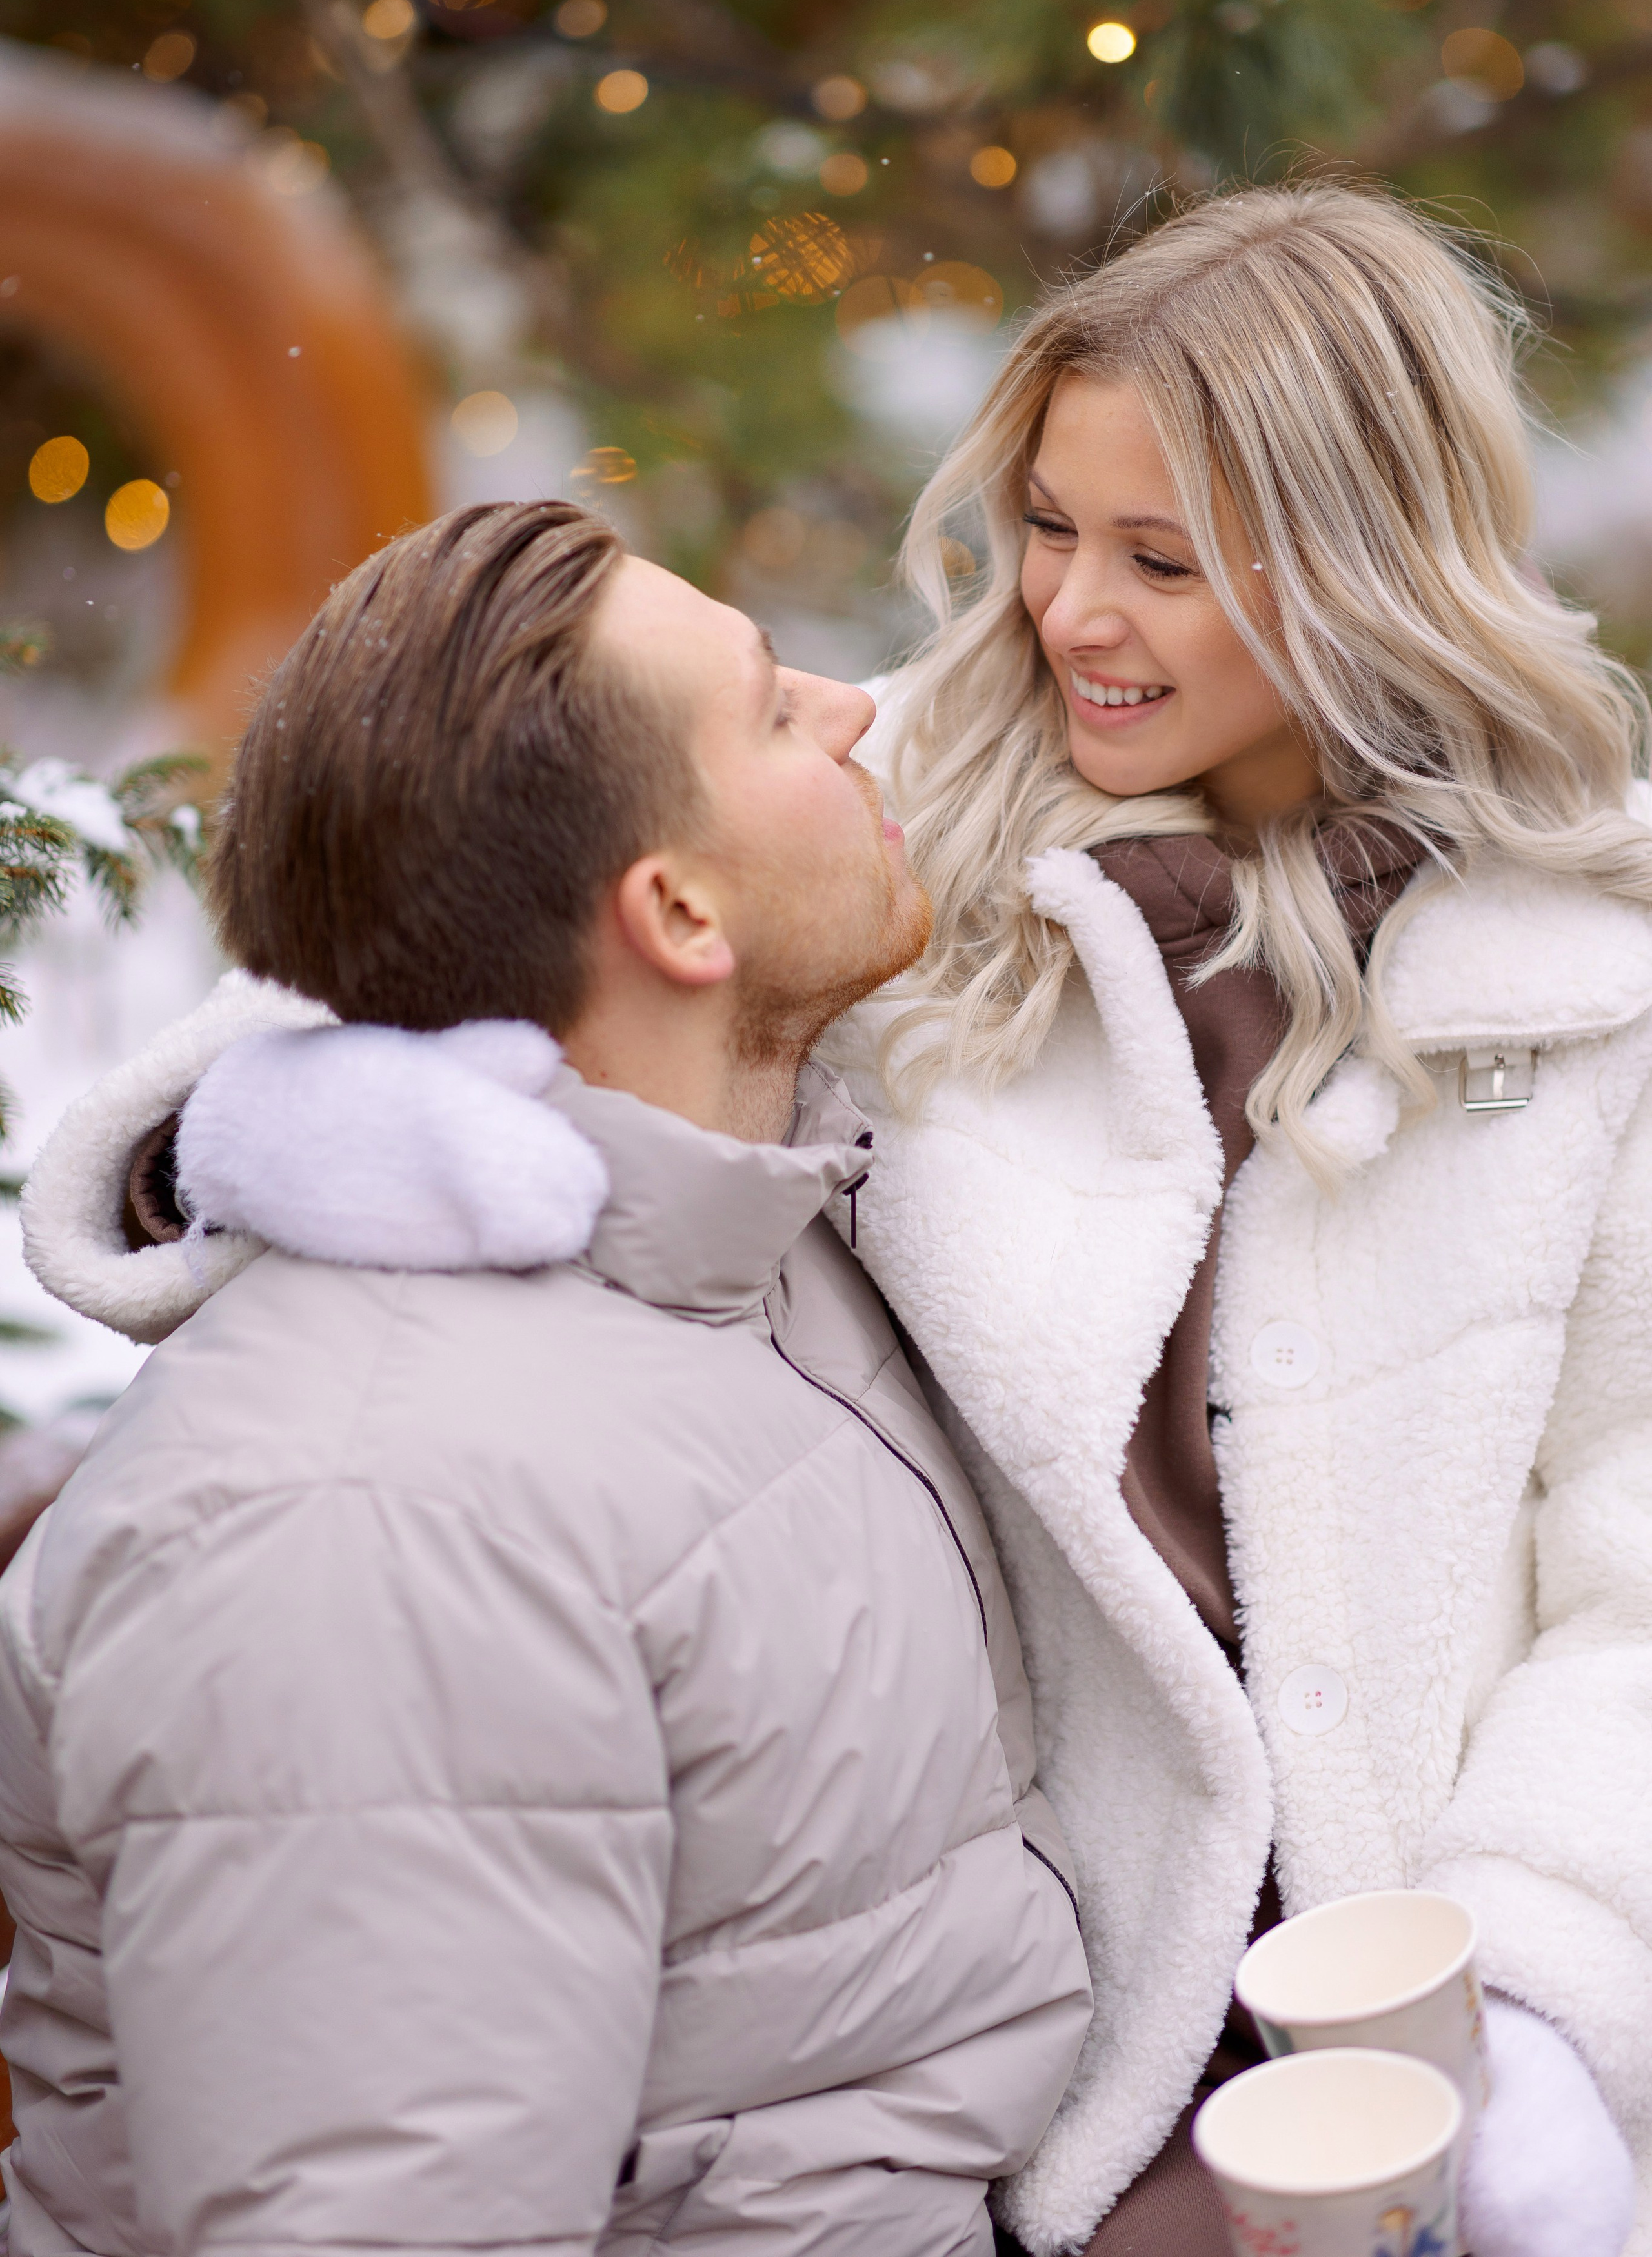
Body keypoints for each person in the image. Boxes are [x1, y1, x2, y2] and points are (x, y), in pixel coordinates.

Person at [0, 501, 1092, 2257]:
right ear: (675, 908)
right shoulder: (357, 1534)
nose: (858, 707)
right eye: (769, 708)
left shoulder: (721, 1243)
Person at [809, 183, 1647, 2257]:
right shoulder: (876, 827)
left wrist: (1526, 2004)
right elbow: (489, 958)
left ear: (1366, 572)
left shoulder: (1597, 960)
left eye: (1163, 562)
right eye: (1049, 526)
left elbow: (1638, 1549)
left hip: (1409, 2052)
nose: (1068, 612)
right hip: (985, 2048)